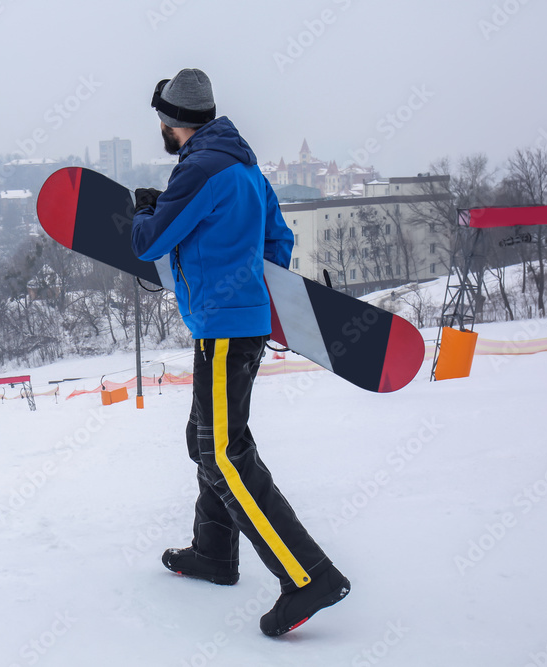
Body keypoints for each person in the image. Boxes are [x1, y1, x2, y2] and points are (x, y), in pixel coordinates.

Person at [131, 69, 349, 638]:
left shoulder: (198, 167)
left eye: (160, 119)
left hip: (225, 330)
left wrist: (143, 213)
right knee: (204, 438)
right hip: (237, 325)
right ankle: (214, 552)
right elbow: (277, 240)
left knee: (224, 452)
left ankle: (310, 577)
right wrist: (264, 301)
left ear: (170, 120)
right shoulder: (246, 166)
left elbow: (151, 242)